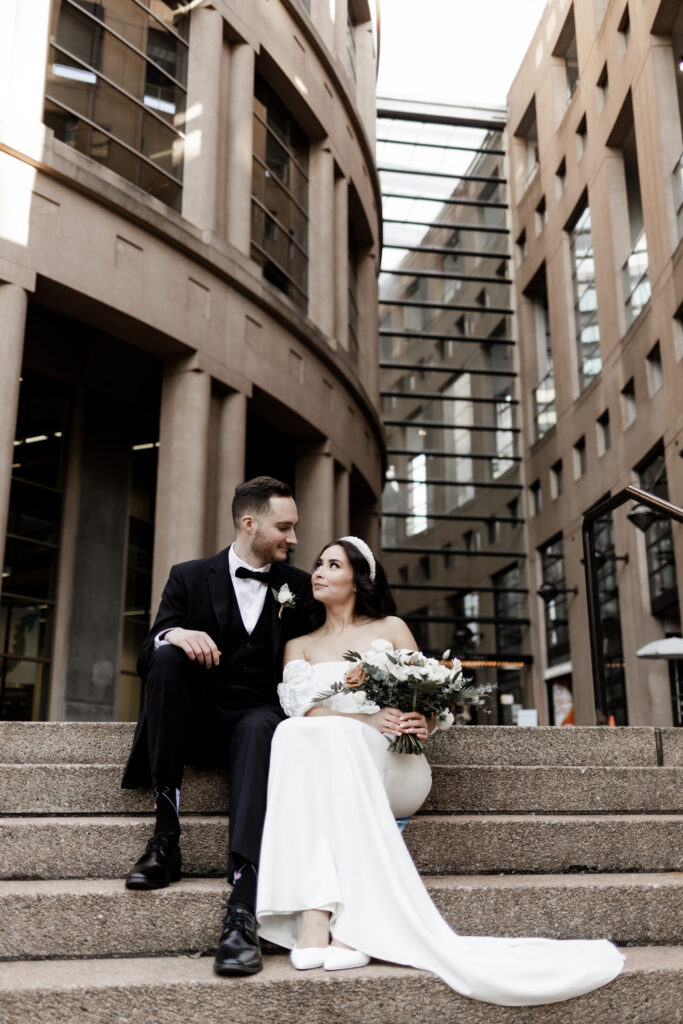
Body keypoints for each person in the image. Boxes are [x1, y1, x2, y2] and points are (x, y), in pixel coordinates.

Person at [256, 537, 625, 1006]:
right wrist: (364, 720)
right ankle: (316, 915)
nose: (319, 572)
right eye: (318, 564)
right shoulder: (299, 644)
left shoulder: (390, 627)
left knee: (324, 742)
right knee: (295, 735)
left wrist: (420, 719)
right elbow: (299, 712)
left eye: (333, 564)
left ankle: (346, 922)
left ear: (358, 579)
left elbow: (430, 696)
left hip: (394, 766)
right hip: (332, 760)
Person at [121, 476, 311, 977]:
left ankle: (243, 904)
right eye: (284, 527)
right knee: (167, 660)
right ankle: (165, 838)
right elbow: (146, 655)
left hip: (257, 719)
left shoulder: (299, 588)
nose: (293, 539)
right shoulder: (188, 576)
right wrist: (174, 633)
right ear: (250, 523)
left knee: (259, 728)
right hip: (197, 720)